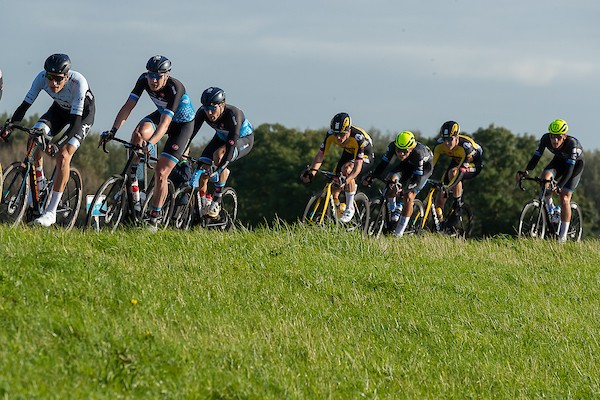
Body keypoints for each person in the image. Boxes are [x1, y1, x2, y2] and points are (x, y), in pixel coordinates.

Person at [1, 54, 95, 227]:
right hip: (58, 111)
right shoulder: (41, 78)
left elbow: (74, 125)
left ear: (67, 76)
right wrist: (10, 126)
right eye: (50, 78)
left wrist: (58, 145)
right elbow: (24, 106)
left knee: (64, 156)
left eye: (58, 79)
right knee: (33, 137)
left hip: (81, 117)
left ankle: (51, 212)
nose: (53, 83)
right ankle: (40, 181)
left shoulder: (78, 83)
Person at [103, 55, 195, 231]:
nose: (153, 80)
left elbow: (165, 124)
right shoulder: (143, 80)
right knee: (138, 133)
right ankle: (136, 185)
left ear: (167, 75)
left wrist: (151, 143)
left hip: (181, 125)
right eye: (151, 75)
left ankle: (155, 217)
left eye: (158, 76)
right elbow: (128, 106)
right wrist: (113, 130)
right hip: (162, 115)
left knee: (161, 172)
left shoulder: (175, 88)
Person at [516, 119, 584, 243]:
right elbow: (536, 156)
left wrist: (560, 186)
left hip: (574, 168)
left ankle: (562, 238)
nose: (555, 140)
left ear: (564, 136)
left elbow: (569, 170)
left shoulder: (572, 144)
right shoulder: (545, 139)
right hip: (558, 163)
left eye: (558, 137)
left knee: (564, 198)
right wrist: (526, 171)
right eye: (553, 136)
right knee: (544, 179)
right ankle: (551, 210)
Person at [191, 87, 254, 218]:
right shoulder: (203, 112)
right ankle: (205, 202)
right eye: (206, 108)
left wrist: (220, 169)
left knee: (219, 156)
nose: (209, 112)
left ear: (222, 105)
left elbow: (230, 147)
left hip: (242, 139)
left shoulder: (233, 115)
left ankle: (217, 200)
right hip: (221, 137)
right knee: (203, 166)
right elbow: (190, 134)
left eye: (213, 108)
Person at [301, 112, 374, 223]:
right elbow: (321, 155)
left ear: (349, 131)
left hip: (364, 155)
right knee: (335, 185)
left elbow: (357, 167)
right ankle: (339, 209)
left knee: (348, 170)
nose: (338, 138)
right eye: (336, 134)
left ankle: (350, 208)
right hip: (349, 152)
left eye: (341, 134)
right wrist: (312, 172)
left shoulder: (358, 138)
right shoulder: (331, 134)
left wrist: (347, 180)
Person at [363, 131, 433, 237]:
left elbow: (416, 180)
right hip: (406, 165)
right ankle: (393, 213)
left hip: (424, 169)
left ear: (411, 149)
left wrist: (404, 191)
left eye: (404, 151)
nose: (401, 154)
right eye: (399, 150)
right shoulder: (392, 146)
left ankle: (398, 233)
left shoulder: (418, 153)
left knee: (409, 197)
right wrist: (372, 176)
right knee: (391, 180)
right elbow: (383, 164)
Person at [431, 121, 483, 224]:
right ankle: (440, 225)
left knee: (454, 173)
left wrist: (449, 188)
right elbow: (431, 166)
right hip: (457, 161)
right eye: (445, 139)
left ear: (456, 138)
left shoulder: (466, 146)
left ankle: (458, 204)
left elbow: (460, 173)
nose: (446, 143)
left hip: (473, 164)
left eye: (450, 139)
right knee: (440, 194)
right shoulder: (439, 145)